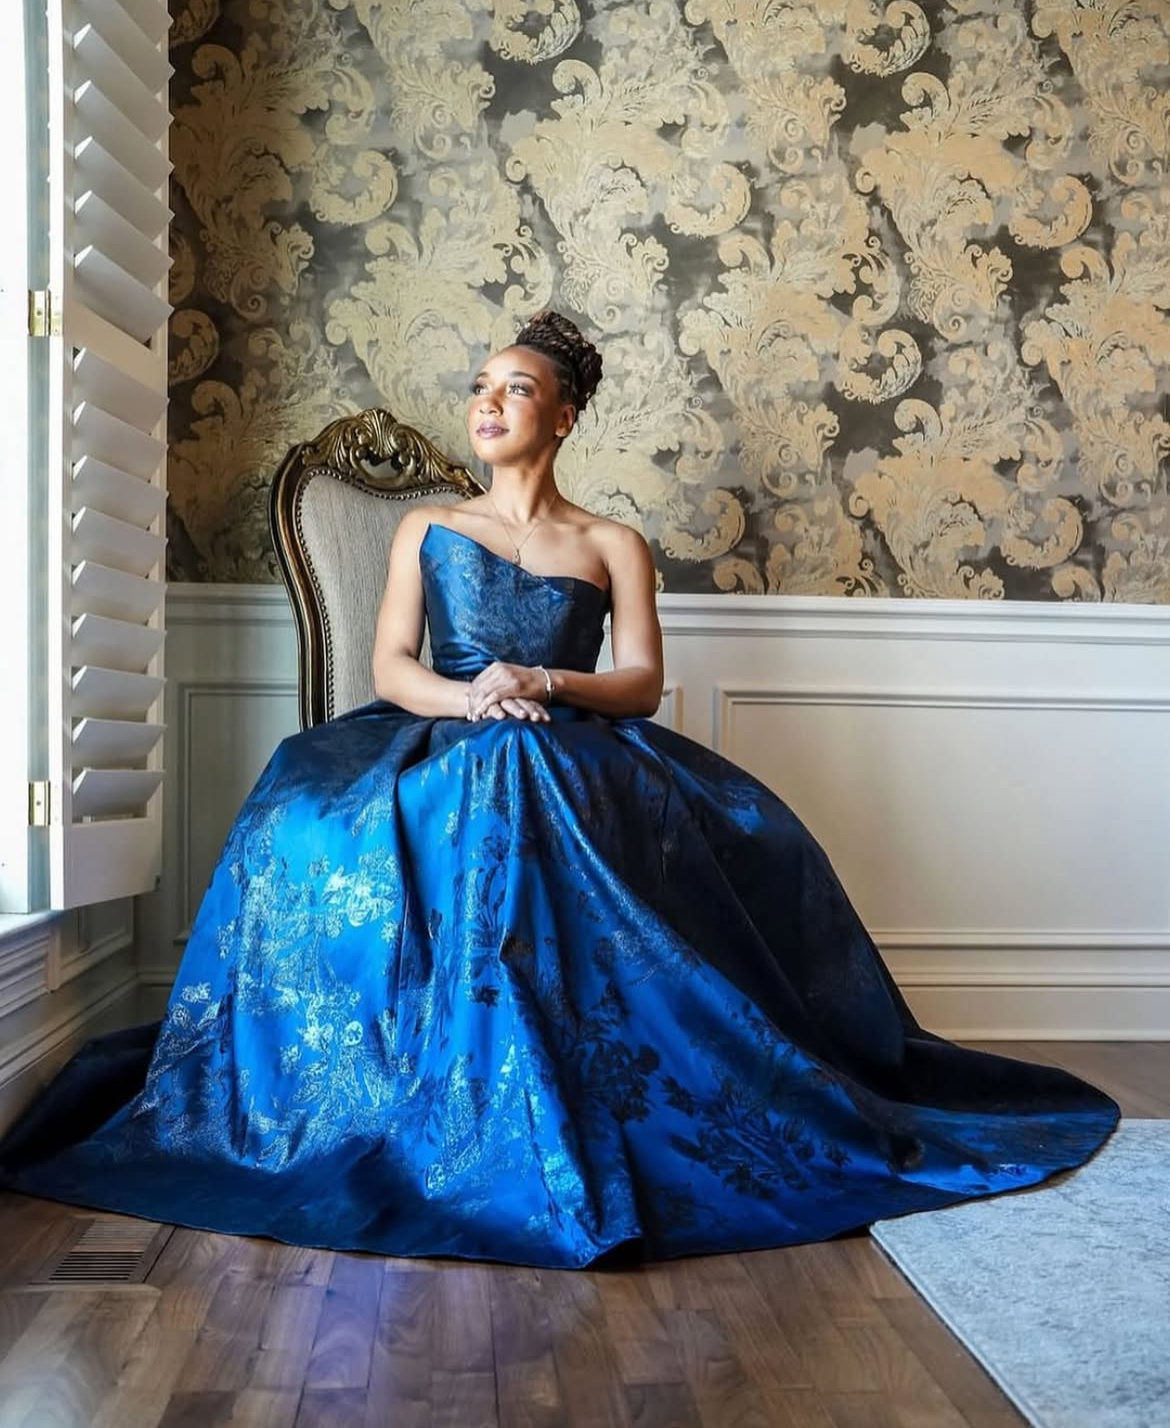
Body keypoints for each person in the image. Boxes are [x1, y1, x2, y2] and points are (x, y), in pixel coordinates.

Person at [0, 311, 1118, 1269]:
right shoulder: (427, 525)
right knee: (477, 778)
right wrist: (476, 696)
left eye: (516, 389)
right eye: (481, 388)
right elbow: (391, 666)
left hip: (573, 737)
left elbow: (639, 683)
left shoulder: (612, 540)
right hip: (434, 734)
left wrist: (545, 677)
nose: (488, 405)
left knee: (597, 791)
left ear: (564, 414)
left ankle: (601, 1078)